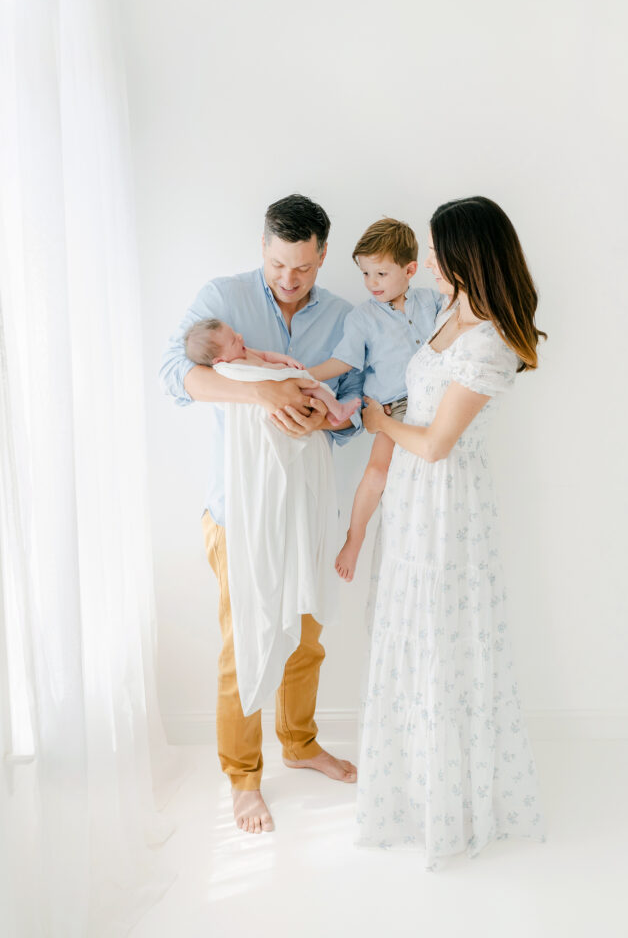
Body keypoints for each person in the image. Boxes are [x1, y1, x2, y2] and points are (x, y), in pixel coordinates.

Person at [160, 194, 363, 836]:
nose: (288, 279)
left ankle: (299, 743)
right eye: (278, 264)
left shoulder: (341, 316)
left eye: (302, 267)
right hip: (238, 511)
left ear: (322, 256)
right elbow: (174, 374)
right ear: (264, 249)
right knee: (244, 643)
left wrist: (320, 419)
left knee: (306, 638)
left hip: (305, 509)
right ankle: (243, 777)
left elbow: (354, 399)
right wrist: (262, 389)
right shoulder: (222, 298)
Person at [355, 196, 547, 866]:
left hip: (444, 502)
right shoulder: (446, 312)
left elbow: (436, 444)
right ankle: (412, 788)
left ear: (467, 254)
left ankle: (450, 802)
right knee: (411, 626)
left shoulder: (488, 337)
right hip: (413, 495)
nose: (427, 259)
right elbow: (426, 407)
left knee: (442, 634)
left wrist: (380, 426)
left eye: (437, 249)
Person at [307, 218, 443, 580]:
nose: (371, 284)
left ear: (410, 270)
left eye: (381, 274)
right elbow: (344, 361)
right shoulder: (363, 317)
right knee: (376, 472)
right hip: (391, 405)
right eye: (366, 274)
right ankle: (355, 537)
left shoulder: (431, 301)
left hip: (435, 400)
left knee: (432, 473)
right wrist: (304, 375)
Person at [184, 317, 361, 426]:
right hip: (280, 390)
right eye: (233, 341)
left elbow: (266, 356)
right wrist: (279, 370)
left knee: (315, 391)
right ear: (220, 360)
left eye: (234, 332)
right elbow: (261, 372)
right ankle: (338, 410)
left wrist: (286, 360)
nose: (240, 337)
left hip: (286, 382)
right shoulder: (235, 366)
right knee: (315, 389)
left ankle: (335, 413)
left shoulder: (244, 351)